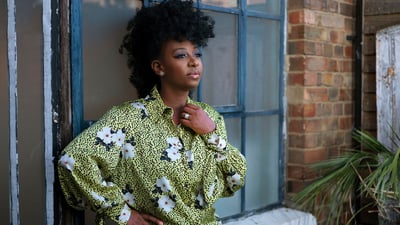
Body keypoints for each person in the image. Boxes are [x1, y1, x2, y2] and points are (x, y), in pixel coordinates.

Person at [57, 0, 247, 224]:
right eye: (181, 55)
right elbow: (73, 162)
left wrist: (210, 133)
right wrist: (125, 215)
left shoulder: (210, 119)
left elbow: (236, 179)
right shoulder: (128, 119)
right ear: (159, 67)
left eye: (197, 54)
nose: (194, 62)